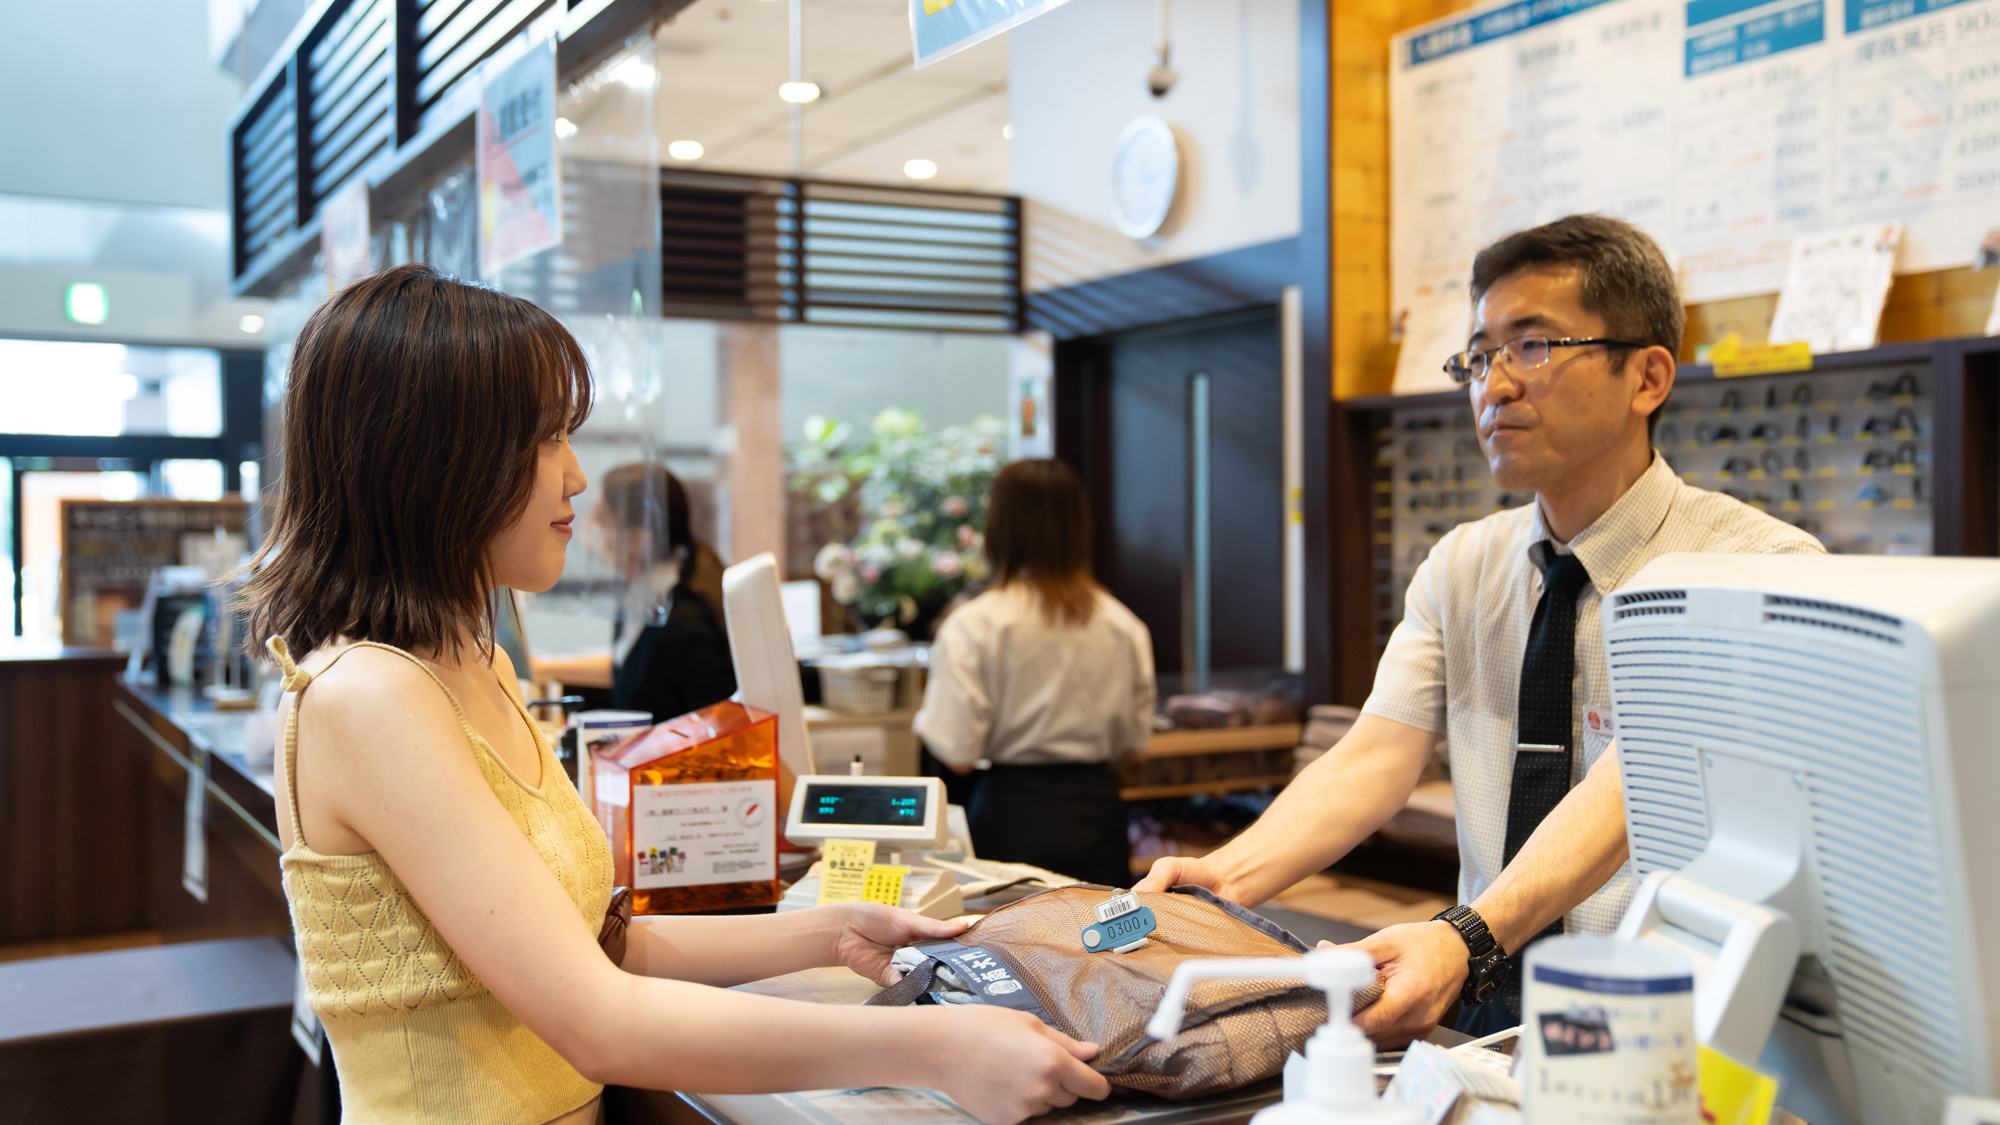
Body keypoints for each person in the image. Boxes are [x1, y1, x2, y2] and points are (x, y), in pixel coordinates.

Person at [238, 266, 1108, 1125]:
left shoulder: (478, 667)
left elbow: (595, 944)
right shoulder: (371, 695)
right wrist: (938, 1050)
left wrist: (830, 931)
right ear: (432, 456)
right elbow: (596, 1018)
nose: (576, 476)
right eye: (545, 438)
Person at [1136, 215, 1826, 1042]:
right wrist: (1222, 876)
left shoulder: (1756, 568)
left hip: (1671, 1025)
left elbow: (1633, 785)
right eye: (1479, 354)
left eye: (1532, 348)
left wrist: (1465, 935)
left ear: (1647, 377)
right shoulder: (1462, 565)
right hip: (1483, 992)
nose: (1493, 387)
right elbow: (1373, 756)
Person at [915, 458, 1155, 888]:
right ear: (1080, 527)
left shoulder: (974, 624)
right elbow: (1134, 746)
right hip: (1096, 816)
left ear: (998, 528)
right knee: (1103, 943)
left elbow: (958, 755)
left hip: (1009, 816)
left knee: (1008, 947)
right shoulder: (1123, 625)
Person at [538, 462, 739, 723]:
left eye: (601, 518)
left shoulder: (683, 622)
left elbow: (720, 727)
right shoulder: (641, 600)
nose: (587, 524)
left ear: (639, 538)